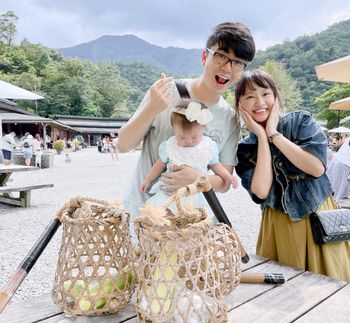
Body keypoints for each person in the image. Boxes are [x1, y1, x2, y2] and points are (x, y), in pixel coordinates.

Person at [118, 22, 255, 219]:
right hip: (143, 215)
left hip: (189, 222)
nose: (227, 68)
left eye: (237, 62)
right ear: (204, 56)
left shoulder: (230, 118)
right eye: (221, 56)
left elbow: (224, 182)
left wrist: (199, 180)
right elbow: (123, 145)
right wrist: (152, 108)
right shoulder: (166, 91)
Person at [235, 69, 350, 282]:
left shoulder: (301, 121)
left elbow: (315, 168)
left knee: (332, 285)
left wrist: (273, 134)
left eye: (265, 93)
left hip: (319, 218)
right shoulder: (245, 149)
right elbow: (260, 192)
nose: (259, 102)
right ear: (240, 105)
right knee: (285, 294)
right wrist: (261, 137)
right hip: (278, 224)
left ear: (276, 98)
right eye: (249, 96)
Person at [140, 104, 238, 211]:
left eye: (194, 137)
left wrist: (229, 177)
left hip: (196, 192)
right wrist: (148, 179)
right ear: (174, 129)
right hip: (170, 191)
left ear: (203, 127)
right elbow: (159, 164)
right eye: (181, 137)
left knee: (195, 215)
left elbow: (216, 166)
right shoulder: (170, 145)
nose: (188, 141)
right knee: (165, 214)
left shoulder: (207, 147)